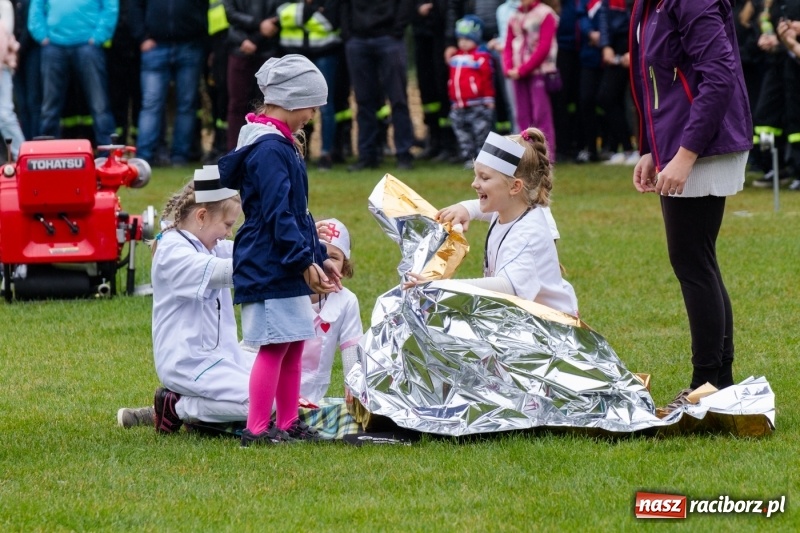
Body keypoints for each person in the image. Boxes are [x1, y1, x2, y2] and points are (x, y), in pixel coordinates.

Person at [629, 0, 753, 416]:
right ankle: (720, 381)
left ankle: (708, 384)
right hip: (683, 142)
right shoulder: (649, 5)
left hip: (704, 143)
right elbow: (653, 80)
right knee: (699, 259)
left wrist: (684, 154)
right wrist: (651, 147)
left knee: (692, 260)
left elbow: (719, 76)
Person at [218, 54, 342, 446]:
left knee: (293, 345)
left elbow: (296, 212)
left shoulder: (279, 143)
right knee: (273, 347)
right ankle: (256, 430)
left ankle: (288, 422)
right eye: (309, 106)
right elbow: (276, 214)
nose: (311, 115)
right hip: (268, 262)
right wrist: (301, 259)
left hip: (283, 258)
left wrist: (318, 255)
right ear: (289, 101)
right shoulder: (269, 149)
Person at [408, 128, 579, 317]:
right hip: (523, 317)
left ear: (514, 187)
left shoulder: (528, 233)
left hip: (553, 328)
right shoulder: (514, 208)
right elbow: (486, 209)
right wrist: (466, 208)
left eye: (485, 177)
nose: (474, 183)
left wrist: (442, 288)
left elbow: (506, 287)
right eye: (476, 175)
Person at [148, 166, 253, 434]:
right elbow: (227, 271)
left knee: (276, 387)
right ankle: (177, 407)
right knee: (262, 404)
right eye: (228, 225)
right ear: (202, 216)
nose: (229, 233)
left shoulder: (207, 244)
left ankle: (189, 409)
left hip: (218, 358)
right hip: (186, 362)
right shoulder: (173, 250)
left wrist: (305, 244)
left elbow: (247, 251)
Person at [27, 0, 118, 147]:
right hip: (54, 46)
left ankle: (109, 156)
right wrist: (42, 36)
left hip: (88, 47)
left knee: (99, 104)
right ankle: (46, 154)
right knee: (49, 107)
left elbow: (110, 7)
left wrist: (98, 37)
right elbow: (36, 7)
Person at [128, 0, 207, 166]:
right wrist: (142, 37)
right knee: (151, 104)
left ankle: (180, 156)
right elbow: (134, 6)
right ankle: (144, 157)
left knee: (186, 104)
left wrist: (201, 37)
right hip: (155, 46)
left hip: (190, 45)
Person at [340, 0, 416, 171]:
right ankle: (367, 155)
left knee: (398, 99)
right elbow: (343, 6)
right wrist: (348, 35)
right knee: (363, 101)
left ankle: (404, 154)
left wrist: (397, 30)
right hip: (358, 41)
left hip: (389, 39)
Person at [299, 218, 363, 405]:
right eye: (317, 252)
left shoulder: (346, 300)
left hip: (312, 392)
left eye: (333, 257)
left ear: (344, 265)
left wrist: (353, 384)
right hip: (272, 381)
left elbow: (351, 347)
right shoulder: (287, 294)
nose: (323, 261)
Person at [276, 0, 342, 170]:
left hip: (325, 53)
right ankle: (298, 151)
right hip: (295, 55)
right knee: (295, 105)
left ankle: (326, 154)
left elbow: (330, 22)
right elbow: (281, 15)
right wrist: (312, 10)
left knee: (326, 107)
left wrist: (298, 13)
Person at [503, 0, 559, 162]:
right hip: (517, 74)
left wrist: (522, 70)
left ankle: (545, 157)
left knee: (540, 114)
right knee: (522, 116)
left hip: (539, 73)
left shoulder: (545, 14)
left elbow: (544, 47)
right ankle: (527, 157)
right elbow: (508, 44)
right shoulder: (514, 16)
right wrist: (508, 68)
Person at [223, 0, 281, 153]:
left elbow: (279, 15)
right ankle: (234, 152)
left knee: (266, 105)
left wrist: (255, 39)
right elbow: (231, 15)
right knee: (236, 105)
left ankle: (263, 150)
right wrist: (247, 37)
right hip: (239, 50)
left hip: (268, 53)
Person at [448, 15, 495, 167]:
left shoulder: (481, 57)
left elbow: (487, 79)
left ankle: (484, 160)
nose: (463, 42)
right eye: (460, 39)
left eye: (467, 39)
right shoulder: (455, 58)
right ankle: (469, 158)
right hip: (459, 105)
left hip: (478, 104)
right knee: (463, 133)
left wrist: (489, 99)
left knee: (481, 133)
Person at [0, 0, 25, 160]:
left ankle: (24, 158)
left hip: (2, 68)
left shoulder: (4, 5)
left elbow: (2, 39)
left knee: (4, 115)